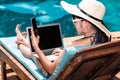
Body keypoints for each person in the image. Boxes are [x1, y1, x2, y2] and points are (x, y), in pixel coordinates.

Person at [15, 0, 111, 75]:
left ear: (86, 24)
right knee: (38, 52)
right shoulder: (104, 40)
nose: (73, 22)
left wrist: (36, 47)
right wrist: (64, 54)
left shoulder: (73, 46)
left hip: (63, 74)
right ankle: (22, 40)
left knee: (34, 55)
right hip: (84, 73)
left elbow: (51, 69)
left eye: (74, 18)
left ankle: (19, 42)